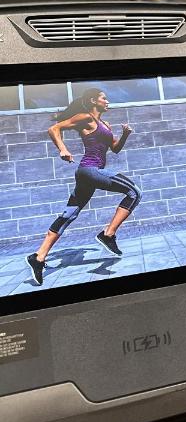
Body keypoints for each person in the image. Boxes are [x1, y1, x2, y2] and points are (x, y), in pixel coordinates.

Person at [27, 88, 141, 285]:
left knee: (69, 214)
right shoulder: (86, 118)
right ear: (93, 101)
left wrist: (125, 135)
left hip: (87, 175)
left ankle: (38, 257)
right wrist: (63, 149)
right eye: (104, 98)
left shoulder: (104, 124)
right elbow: (54, 129)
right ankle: (108, 234)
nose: (107, 101)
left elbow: (114, 149)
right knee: (134, 192)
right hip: (90, 169)